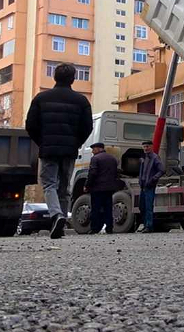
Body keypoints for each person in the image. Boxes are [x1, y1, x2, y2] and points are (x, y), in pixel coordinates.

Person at [25, 63, 93, 239]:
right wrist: (76, 143)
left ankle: (57, 216)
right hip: (69, 150)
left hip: (48, 149)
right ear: (73, 79)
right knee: (64, 187)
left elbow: (30, 125)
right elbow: (87, 127)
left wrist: (43, 142)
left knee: (49, 184)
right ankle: (60, 224)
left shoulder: (41, 98)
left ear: (54, 77)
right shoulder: (81, 101)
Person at [85, 142, 119, 234]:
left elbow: (92, 173)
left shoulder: (95, 158)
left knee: (95, 208)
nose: (92, 151)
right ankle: (109, 228)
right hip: (109, 188)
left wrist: (87, 185)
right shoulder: (113, 158)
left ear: (99, 149)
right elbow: (116, 173)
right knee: (108, 208)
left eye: (94, 149)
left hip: (97, 188)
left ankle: (94, 228)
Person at [138, 140, 164, 233]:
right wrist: (140, 180)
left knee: (148, 207)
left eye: (147, 146)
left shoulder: (155, 158)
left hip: (149, 186)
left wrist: (153, 179)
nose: (146, 148)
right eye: (144, 147)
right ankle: (146, 225)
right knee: (142, 207)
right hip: (143, 186)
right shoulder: (144, 158)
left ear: (151, 147)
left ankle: (149, 226)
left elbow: (161, 170)